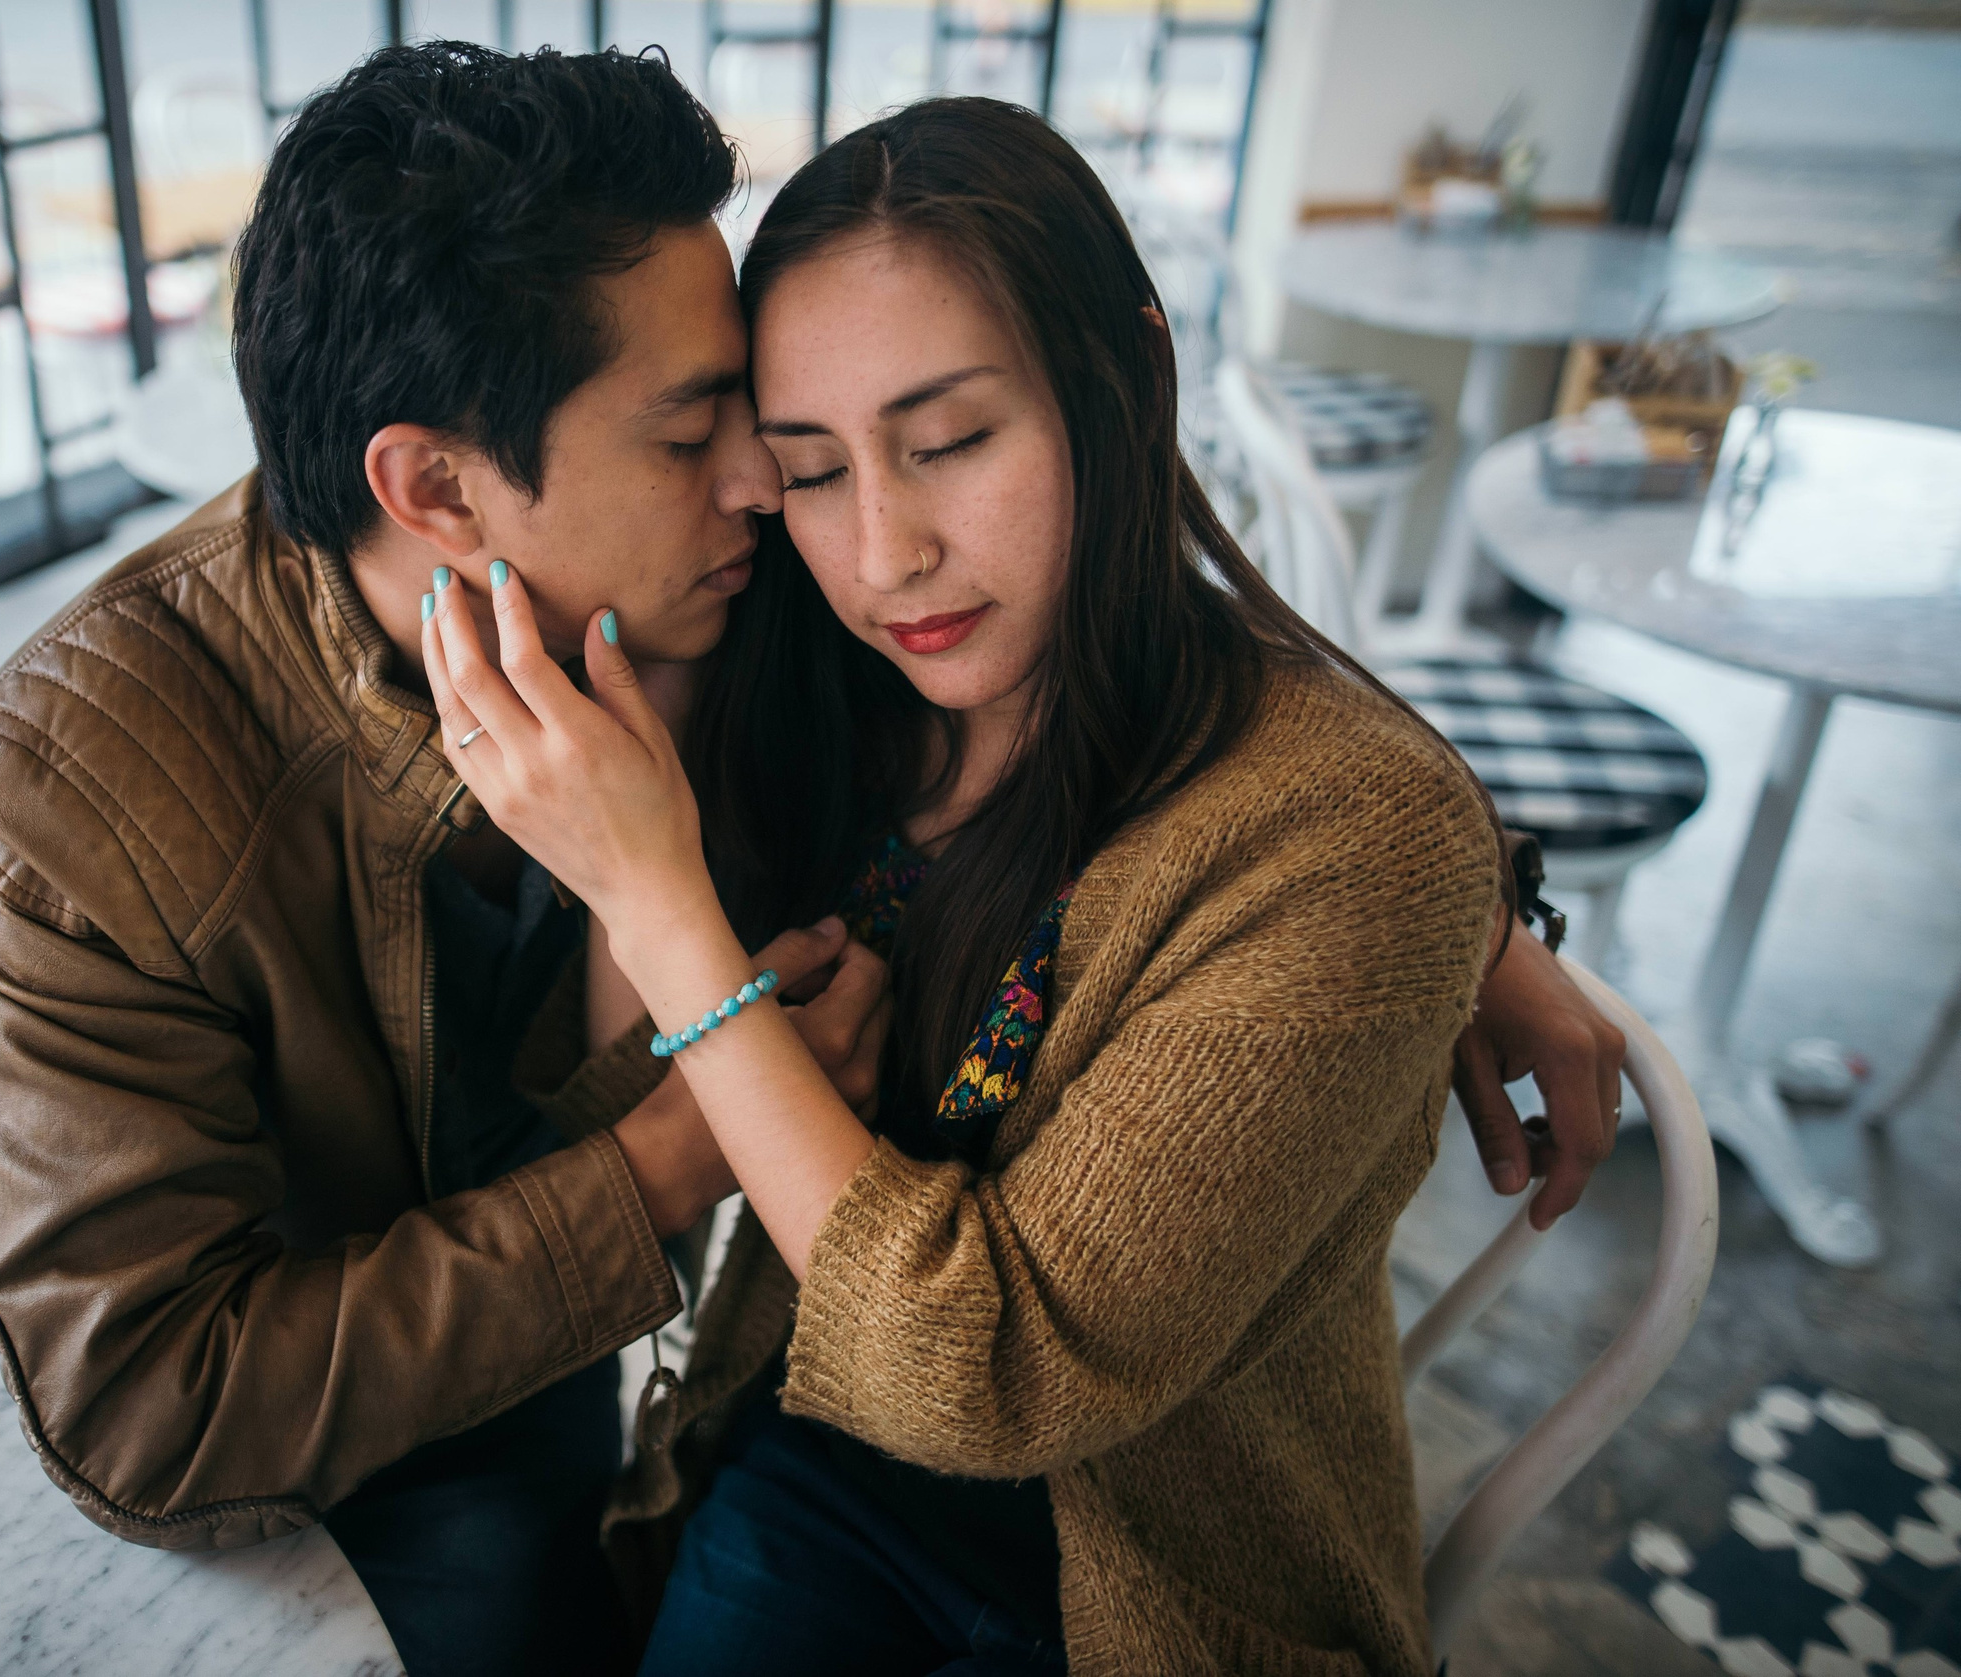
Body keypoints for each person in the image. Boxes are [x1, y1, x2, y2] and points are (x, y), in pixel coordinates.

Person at [0, 43, 1617, 1677]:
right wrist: (669, 1142)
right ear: (436, 488)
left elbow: (1258, 764)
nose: (800, 507)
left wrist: (1466, 902)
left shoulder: (767, 602)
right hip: (423, 1449)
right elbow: (149, 1415)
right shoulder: (80, 795)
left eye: (929, 440)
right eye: (734, 445)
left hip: (1090, 1540)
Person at [410, 97, 1580, 1676]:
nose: (885, 551)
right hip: (818, 1482)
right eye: (811, 469)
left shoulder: (1349, 833)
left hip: (1166, 1606)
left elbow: (992, 1379)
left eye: (950, 440)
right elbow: (593, 1081)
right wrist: (653, 775)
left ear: (1129, 375)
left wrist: (664, 906)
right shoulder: (834, 687)